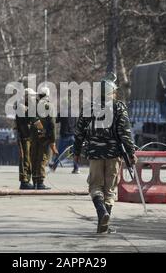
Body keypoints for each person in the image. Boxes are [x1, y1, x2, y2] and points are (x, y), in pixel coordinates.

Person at [73, 73, 136, 233]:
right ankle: (104, 219)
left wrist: (77, 151)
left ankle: (102, 214)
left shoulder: (89, 107)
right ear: (112, 93)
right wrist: (131, 152)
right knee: (110, 190)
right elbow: (125, 133)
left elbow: (79, 132)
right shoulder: (119, 107)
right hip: (114, 155)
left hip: (94, 154)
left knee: (95, 187)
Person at [30, 87, 58, 190]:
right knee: (43, 158)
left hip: (34, 136)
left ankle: (34, 181)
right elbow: (52, 124)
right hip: (44, 137)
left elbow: (32, 121)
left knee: (34, 158)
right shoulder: (49, 106)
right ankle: (40, 182)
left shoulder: (34, 106)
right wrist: (53, 140)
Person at [15, 88, 37, 189]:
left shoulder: (28, 106)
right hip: (24, 136)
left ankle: (27, 179)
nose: (34, 98)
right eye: (32, 96)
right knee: (25, 159)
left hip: (28, 136)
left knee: (29, 159)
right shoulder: (21, 106)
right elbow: (30, 119)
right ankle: (24, 181)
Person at [56, 100, 80, 174]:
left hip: (64, 135)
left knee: (59, 152)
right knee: (75, 152)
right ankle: (76, 168)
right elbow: (77, 123)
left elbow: (57, 120)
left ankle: (54, 166)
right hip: (73, 135)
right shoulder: (74, 113)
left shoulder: (62, 112)